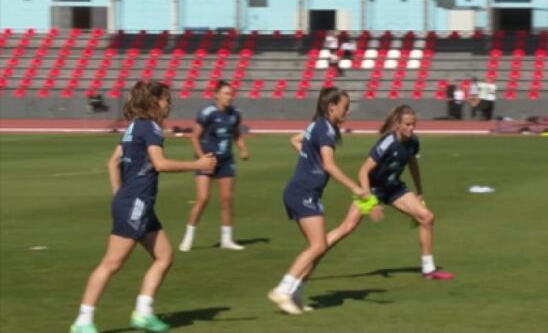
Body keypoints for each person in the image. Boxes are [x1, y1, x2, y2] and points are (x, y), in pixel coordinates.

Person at [70, 81, 216, 333]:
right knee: (112, 263)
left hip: (136, 203)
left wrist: (120, 195)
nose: (169, 102)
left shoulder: (133, 127)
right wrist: (198, 164)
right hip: (136, 204)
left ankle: (143, 313)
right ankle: (82, 321)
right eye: (165, 98)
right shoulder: (151, 128)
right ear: (153, 101)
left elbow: (112, 162)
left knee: (164, 257)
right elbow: (159, 163)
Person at [295, 105, 455, 291]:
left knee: (427, 217)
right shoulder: (387, 143)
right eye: (407, 124)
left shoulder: (413, 142)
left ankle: (428, 269)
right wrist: (370, 201)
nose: (411, 128)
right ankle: (313, 254)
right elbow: (363, 171)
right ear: (397, 125)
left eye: (414, 124)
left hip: (394, 189)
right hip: (371, 188)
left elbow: (412, 164)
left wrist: (419, 192)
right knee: (347, 228)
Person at [267, 87, 371, 315]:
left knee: (319, 247)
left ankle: (296, 293)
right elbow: (329, 165)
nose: (348, 111)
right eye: (345, 107)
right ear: (332, 106)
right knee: (318, 245)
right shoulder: (326, 129)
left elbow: (295, 140)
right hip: (303, 191)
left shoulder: (319, 125)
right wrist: (356, 188)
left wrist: (308, 156)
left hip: (306, 191)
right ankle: (283, 290)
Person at [179, 80, 250, 252]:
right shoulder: (207, 113)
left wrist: (243, 149)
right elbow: (194, 137)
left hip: (226, 161)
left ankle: (226, 239)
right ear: (216, 94)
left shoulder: (235, 114)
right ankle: (188, 237)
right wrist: (202, 158)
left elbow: (236, 134)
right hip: (207, 160)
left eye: (231, 93)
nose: (229, 97)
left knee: (227, 200)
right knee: (203, 199)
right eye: (226, 93)